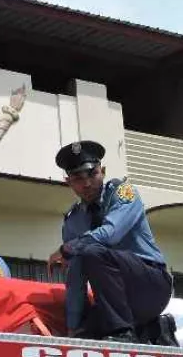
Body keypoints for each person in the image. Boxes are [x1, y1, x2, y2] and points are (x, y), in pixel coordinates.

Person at [49, 140, 171, 342]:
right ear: (68, 181)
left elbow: (110, 233)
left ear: (103, 171)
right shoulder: (73, 220)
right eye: (78, 178)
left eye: (92, 174)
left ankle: (123, 333)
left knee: (92, 252)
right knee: (84, 332)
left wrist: (68, 248)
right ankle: (154, 328)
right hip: (117, 299)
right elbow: (76, 276)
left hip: (150, 284)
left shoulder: (123, 193)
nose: (87, 183)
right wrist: (72, 326)